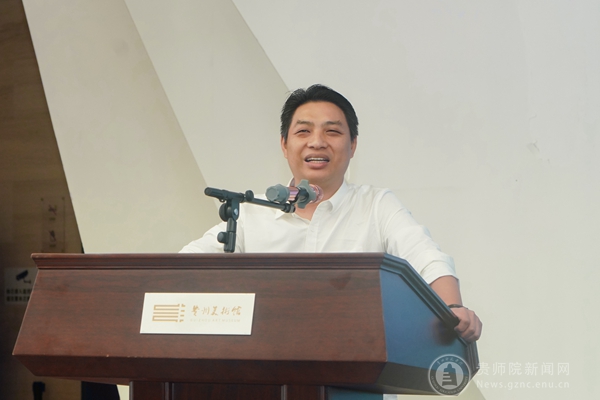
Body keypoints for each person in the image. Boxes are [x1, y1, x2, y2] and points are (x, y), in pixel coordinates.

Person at [181, 84, 482, 342]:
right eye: (303, 131)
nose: (317, 142)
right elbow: (185, 266)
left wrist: (453, 309)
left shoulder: (376, 205)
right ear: (284, 145)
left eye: (332, 131)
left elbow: (426, 257)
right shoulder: (251, 212)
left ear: (352, 146)